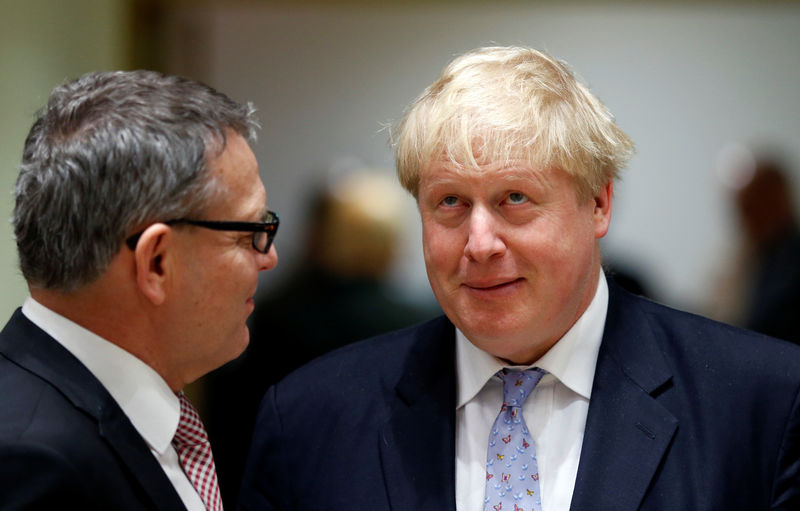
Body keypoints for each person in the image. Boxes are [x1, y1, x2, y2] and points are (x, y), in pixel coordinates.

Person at [237, 46, 800, 510]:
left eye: (515, 198)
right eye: (451, 202)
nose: (480, 244)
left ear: (599, 203)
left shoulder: (765, 403)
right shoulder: (310, 421)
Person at [0, 70, 278, 510]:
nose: (269, 256)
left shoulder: (106, 413)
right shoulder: (32, 465)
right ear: (157, 263)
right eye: (250, 232)